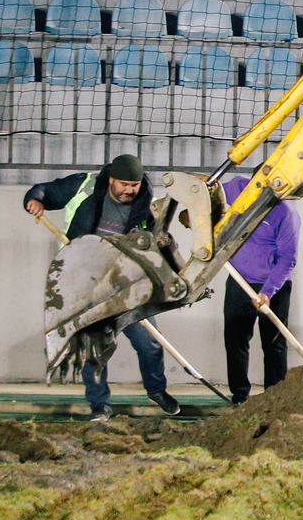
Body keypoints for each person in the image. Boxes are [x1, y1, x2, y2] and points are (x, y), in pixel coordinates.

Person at [23, 154, 183, 420]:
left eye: (134, 185)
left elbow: (156, 247)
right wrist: (34, 200)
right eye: (123, 184)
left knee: (150, 344)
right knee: (92, 350)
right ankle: (100, 405)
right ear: (110, 179)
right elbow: (44, 190)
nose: (129, 191)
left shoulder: (149, 206)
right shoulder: (84, 186)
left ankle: (157, 391)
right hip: (88, 285)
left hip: (127, 286)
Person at [220, 175, 300, 405]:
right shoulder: (237, 188)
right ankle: (239, 394)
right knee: (235, 339)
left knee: (274, 343)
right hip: (239, 280)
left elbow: (287, 259)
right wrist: (196, 216)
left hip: (273, 286)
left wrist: (268, 291)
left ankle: (274, 397)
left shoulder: (286, 214)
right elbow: (207, 195)